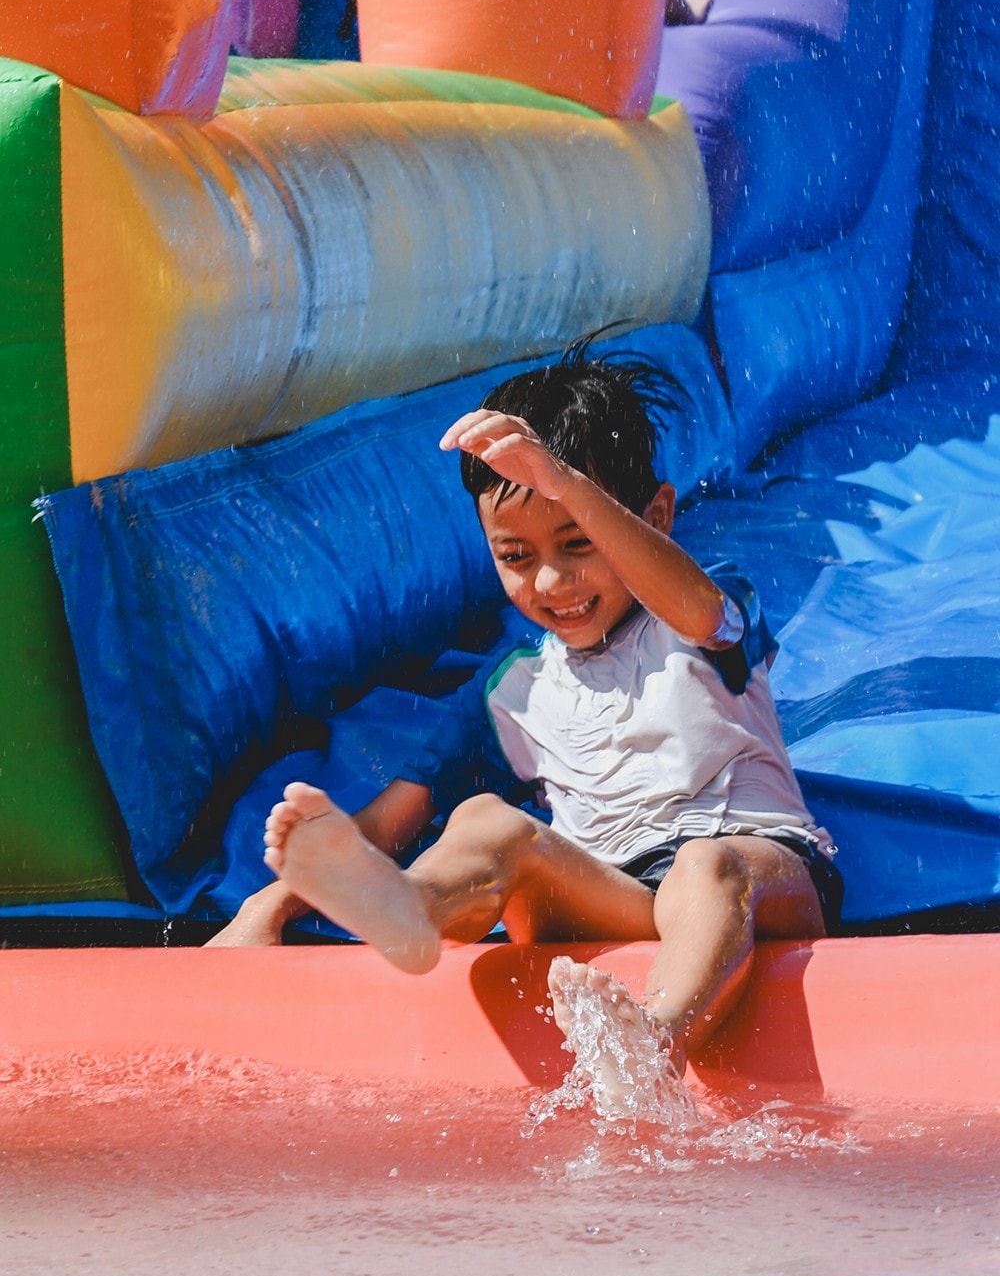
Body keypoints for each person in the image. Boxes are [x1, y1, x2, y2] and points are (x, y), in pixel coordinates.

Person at [208, 345, 842, 1110]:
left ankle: (654, 1042)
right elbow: (387, 823)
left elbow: (697, 608)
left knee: (706, 865)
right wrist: (271, 905)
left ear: (655, 519)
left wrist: (565, 483)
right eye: (516, 555)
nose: (551, 581)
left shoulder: (702, 617)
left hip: (757, 870)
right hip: (611, 893)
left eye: (579, 543)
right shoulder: (513, 688)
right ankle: (413, 913)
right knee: (481, 820)